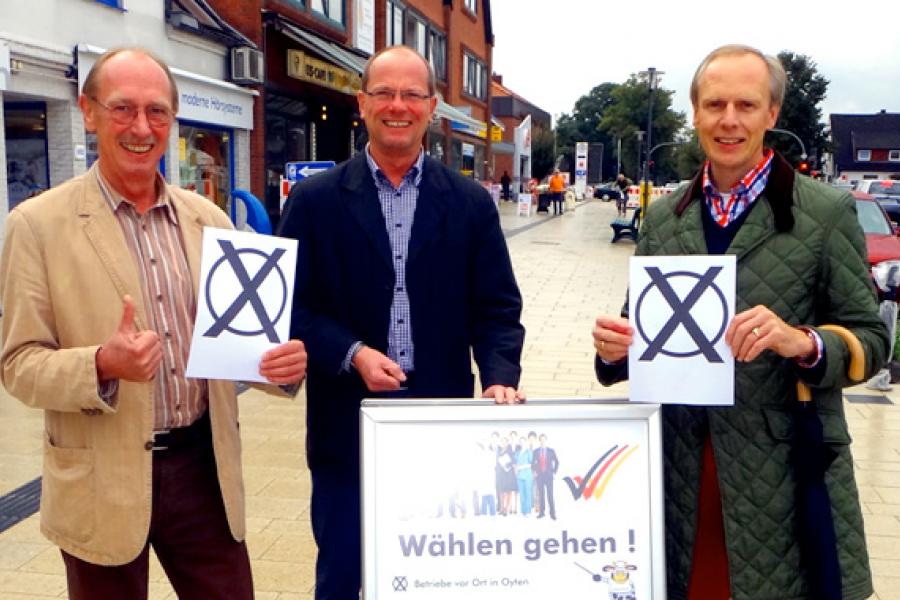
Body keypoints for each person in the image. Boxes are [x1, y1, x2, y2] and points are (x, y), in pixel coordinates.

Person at [0, 48, 308, 599]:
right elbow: (19, 365)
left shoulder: (207, 219)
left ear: (173, 119)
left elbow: (241, 344)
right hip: (100, 476)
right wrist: (100, 364)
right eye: (122, 109)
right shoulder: (36, 226)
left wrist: (278, 367)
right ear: (88, 111)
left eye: (157, 111)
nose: (141, 127)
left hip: (204, 472)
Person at [592, 44, 888, 600]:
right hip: (681, 475)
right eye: (715, 104)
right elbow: (644, 332)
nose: (729, 120)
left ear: (771, 114)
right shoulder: (662, 217)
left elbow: (873, 340)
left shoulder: (824, 213)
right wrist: (615, 350)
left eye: (746, 105)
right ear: (696, 113)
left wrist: (802, 341)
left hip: (781, 479)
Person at [276, 45, 525, 600]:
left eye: (411, 94)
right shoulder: (315, 201)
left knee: (437, 578)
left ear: (432, 107)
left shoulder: (468, 203)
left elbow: (496, 307)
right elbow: (289, 304)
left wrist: (500, 374)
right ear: (362, 103)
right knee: (343, 575)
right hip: (347, 423)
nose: (398, 105)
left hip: (440, 423)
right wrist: (351, 352)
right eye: (384, 93)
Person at [532, 433, 558, 519]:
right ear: (539, 441)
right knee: (541, 495)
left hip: (549, 476)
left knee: (550, 494)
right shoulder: (535, 451)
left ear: (546, 440)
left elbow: (557, 462)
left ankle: (552, 513)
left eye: (544, 440)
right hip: (539, 476)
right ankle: (542, 513)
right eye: (541, 440)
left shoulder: (551, 451)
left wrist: (554, 472)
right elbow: (533, 463)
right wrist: (534, 471)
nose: (543, 441)